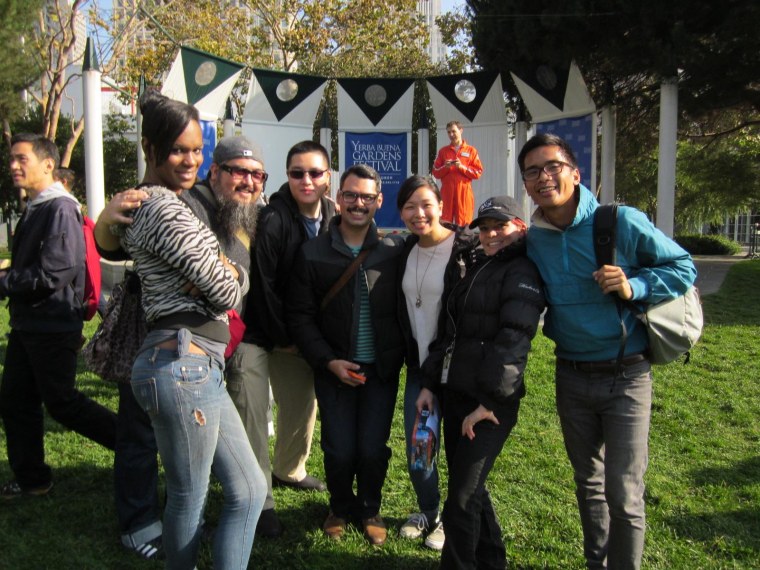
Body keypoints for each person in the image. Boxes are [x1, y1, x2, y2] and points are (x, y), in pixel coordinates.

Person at [518, 133, 697, 569]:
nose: (544, 178)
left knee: (624, 492)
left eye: (553, 166)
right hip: (571, 375)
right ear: (525, 183)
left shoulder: (619, 221)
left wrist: (635, 285)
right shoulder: (534, 237)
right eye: (533, 171)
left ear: (575, 173)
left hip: (627, 376)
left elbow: (684, 266)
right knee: (588, 484)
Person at [104, 90, 267, 569]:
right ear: (150, 150)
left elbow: (217, 284)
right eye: (178, 149)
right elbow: (226, 292)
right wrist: (226, 274)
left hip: (196, 363)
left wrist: (219, 273)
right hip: (181, 362)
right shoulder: (164, 209)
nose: (190, 159)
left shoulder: (166, 203)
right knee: (188, 497)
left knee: (251, 489)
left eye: (197, 149)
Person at [417, 195, 545, 568]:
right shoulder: (478, 264)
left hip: (487, 405)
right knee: (468, 488)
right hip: (457, 392)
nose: (490, 234)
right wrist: (429, 382)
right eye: (485, 227)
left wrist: (489, 402)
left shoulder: (521, 271)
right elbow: (450, 331)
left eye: (499, 226)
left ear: (519, 227)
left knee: (461, 498)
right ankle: (492, 561)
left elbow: (514, 340)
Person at [286, 164, 405, 546]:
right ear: (338, 198)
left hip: (380, 370)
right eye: (351, 195)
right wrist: (327, 362)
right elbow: (300, 316)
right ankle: (339, 505)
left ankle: (369, 508)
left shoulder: (393, 249)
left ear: (379, 202)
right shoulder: (313, 252)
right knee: (338, 448)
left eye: (367, 197)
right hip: (333, 367)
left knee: (372, 448)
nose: (358, 203)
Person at [0, 133, 117, 499]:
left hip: (51, 325)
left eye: (22, 159)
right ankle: (33, 479)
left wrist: (6, 281)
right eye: (12, 159)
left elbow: (57, 271)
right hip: (30, 324)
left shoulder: (60, 208)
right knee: (17, 400)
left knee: (62, 403)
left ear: (48, 164)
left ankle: (134, 443)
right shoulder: (39, 205)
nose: (14, 166)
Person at [240, 140, 334, 536]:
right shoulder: (273, 219)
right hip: (260, 334)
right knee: (254, 416)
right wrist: (285, 338)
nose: (306, 180)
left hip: (300, 336)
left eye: (314, 172)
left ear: (329, 176)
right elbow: (264, 287)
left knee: (301, 408)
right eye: (297, 173)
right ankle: (258, 499)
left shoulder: (334, 213)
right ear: (286, 176)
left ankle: (289, 471)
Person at [396, 175, 479, 550]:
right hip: (420, 369)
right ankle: (429, 510)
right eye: (410, 206)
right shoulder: (403, 250)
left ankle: (453, 518)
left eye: (426, 204)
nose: (419, 213)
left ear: (442, 205)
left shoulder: (466, 250)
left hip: (458, 372)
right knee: (419, 450)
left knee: (462, 455)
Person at [432, 121, 483, 226]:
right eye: (449, 132)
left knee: (463, 225)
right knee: (445, 223)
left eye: (454, 131)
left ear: (461, 130)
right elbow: (435, 172)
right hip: (447, 192)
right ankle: (446, 242)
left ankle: (463, 242)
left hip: (464, 192)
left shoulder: (471, 151)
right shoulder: (443, 151)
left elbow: (478, 172)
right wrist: (445, 168)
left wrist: (462, 167)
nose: (451, 135)